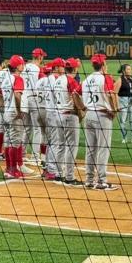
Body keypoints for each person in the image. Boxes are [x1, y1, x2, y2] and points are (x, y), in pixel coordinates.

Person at [82, 53, 119, 190]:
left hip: (89, 115)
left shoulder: (87, 79)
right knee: (103, 149)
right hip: (102, 116)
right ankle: (101, 181)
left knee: (90, 149)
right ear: (103, 65)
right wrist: (114, 110)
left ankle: (89, 180)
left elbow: (75, 93)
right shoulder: (105, 78)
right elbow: (110, 94)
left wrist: (82, 108)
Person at [53, 57, 85, 186]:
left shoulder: (58, 79)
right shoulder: (71, 81)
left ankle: (58, 174)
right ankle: (70, 177)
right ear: (75, 69)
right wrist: (82, 110)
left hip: (58, 115)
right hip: (69, 115)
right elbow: (75, 98)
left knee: (60, 145)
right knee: (71, 146)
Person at [0, 55, 27, 179]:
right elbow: (17, 95)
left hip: (6, 113)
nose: (23, 65)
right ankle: (13, 170)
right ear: (18, 66)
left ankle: (8, 168)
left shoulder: (6, 78)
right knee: (15, 142)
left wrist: (4, 108)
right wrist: (19, 111)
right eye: (22, 63)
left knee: (8, 141)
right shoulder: (18, 78)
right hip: (15, 114)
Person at [25, 48, 47, 165]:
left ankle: (22, 154)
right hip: (34, 99)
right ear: (39, 57)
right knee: (37, 128)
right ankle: (34, 156)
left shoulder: (24, 67)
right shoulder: (38, 69)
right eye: (42, 56)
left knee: (26, 128)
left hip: (24, 98)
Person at [35, 62, 55, 177]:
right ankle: (49, 167)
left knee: (43, 137)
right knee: (51, 140)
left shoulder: (39, 82)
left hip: (38, 111)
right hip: (47, 111)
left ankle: (43, 163)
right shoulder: (52, 80)